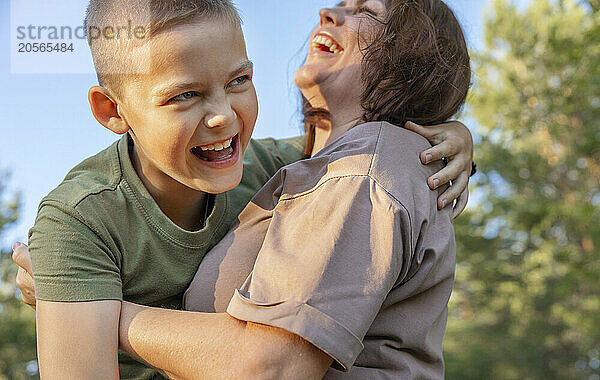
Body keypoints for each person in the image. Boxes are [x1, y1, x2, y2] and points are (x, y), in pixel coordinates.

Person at [13, 0, 474, 378]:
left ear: (411, 59)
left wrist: (98, 313)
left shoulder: (345, 172)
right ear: (112, 111)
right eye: (184, 95)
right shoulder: (80, 220)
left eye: (239, 81)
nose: (224, 118)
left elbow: (272, 367)